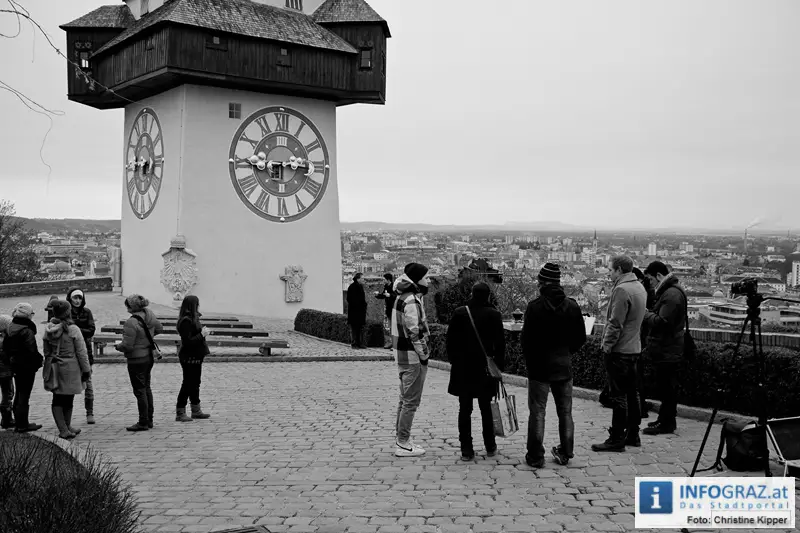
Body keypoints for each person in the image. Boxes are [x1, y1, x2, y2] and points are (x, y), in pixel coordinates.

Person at [521, 263, 587, 467]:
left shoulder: (535, 307)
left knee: (538, 411)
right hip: (563, 366)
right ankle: (566, 451)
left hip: (540, 367)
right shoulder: (573, 306)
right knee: (565, 412)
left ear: (543, 282)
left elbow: (526, 340)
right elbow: (580, 338)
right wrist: (566, 353)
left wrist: (531, 360)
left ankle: (535, 456)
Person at [592, 255, 647, 452]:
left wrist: (606, 347)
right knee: (633, 394)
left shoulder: (622, 289)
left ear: (619, 270)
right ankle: (633, 433)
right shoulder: (639, 287)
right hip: (634, 348)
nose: (609, 273)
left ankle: (616, 438)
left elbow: (615, 323)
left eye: (610, 270)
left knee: (619, 396)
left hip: (620, 351)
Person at [446, 281, 505, 461]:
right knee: (486, 409)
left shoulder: (460, 313)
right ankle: (490, 445)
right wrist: (498, 367)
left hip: (463, 368)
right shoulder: (494, 315)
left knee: (465, 409)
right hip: (485, 369)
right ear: (488, 296)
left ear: (472, 294)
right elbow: (500, 345)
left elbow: (450, 342)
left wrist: (455, 362)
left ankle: (466, 449)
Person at [642, 261, 686, 436]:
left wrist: (646, 314)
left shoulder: (671, 295)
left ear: (659, 276)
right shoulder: (671, 291)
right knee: (665, 387)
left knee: (667, 387)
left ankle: (667, 423)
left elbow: (663, 322)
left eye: (651, 279)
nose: (650, 283)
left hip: (668, 349)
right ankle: (664, 419)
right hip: (667, 348)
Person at [392, 262, 431, 457]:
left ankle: (401, 438)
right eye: (425, 277)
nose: (428, 280)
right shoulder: (412, 300)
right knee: (411, 402)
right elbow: (415, 332)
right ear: (417, 279)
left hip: (401, 355)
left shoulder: (400, 296)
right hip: (413, 357)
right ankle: (403, 442)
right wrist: (424, 354)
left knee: (404, 399)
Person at [43, 300, 91, 440]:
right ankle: (64, 428)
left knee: (58, 396)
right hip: (70, 366)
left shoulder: (49, 328)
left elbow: (46, 351)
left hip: (55, 365)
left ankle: (65, 426)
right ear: (68, 312)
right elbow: (81, 352)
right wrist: (86, 369)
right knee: (67, 397)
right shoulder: (73, 329)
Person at [115, 294, 163, 432]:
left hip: (136, 359)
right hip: (149, 356)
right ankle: (149, 419)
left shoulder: (131, 322)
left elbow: (128, 346)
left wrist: (118, 346)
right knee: (146, 387)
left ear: (131, 307)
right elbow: (160, 328)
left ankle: (143, 421)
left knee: (139, 390)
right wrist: (148, 338)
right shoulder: (150, 315)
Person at [3, 303, 44, 433]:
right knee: (24, 395)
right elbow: (32, 350)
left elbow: (6, 348)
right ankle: (22, 424)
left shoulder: (11, 327)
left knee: (19, 393)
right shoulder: (26, 330)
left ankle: (20, 422)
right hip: (26, 366)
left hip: (15, 365)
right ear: (27, 315)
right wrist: (39, 361)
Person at [175, 295, 211, 422]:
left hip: (197, 355)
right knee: (188, 384)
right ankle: (180, 411)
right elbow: (188, 341)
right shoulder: (186, 321)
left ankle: (196, 410)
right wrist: (202, 334)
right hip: (189, 356)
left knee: (195, 383)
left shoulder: (193, 318)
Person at [66, 288, 97, 424]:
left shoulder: (87, 312)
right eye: (75, 298)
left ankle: (89, 412)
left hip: (85, 350)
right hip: (70, 351)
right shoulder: (67, 312)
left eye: (80, 298)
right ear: (70, 299)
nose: (77, 301)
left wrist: (76, 330)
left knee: (88, 382)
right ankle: (67, 414)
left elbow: (91, 330)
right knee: (69, 384)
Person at [375, 273, 397, 349]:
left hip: (394, 309)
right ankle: (391, 342)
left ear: (388, 279)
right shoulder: (386, 286)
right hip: (388, 309)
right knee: (391, 327)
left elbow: (396, 296)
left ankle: (395, 343)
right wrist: (377, 295)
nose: (383, 281)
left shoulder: (394, 286)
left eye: (384, 279)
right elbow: (384, 295)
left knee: (394, 327)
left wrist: (390, 295)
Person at [0, 314, 15, 429]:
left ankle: (6, 418)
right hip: (5, 372)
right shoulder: (3, 340)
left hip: (4, 371)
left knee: (7, 393)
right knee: (8, 394)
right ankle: (6, 419)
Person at [346, 273, 368, 349]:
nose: (363, 280)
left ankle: (360, 343)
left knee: (360, 328)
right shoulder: (352, 287)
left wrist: (364, 305)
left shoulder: (360, 287)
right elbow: (349, 299)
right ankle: (354, 343)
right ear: (358, 279)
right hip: (354, 311)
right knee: (354, 328)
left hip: (360, 311)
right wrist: (358, 305)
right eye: (362, 278)